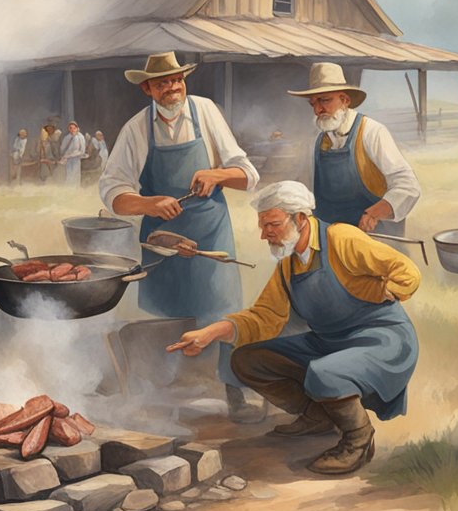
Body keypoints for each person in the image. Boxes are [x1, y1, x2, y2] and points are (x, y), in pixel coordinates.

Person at [167, 181, 420, 475]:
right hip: (330, 343)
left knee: (324, 372)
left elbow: (406, 270)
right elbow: (264, 317)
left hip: (382, 339)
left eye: (272, 224)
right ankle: (318, 416)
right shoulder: (288, 265)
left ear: (300, 218)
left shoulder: (341, 238)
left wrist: (387, 290)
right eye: (263, 227)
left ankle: (358, 440)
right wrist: (209, 333)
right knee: (247, 360)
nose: (265, 234)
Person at [99, 51, 263, 422]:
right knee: (167, 315)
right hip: (162, 239)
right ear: (147, 88)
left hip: (210, 232)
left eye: (177, 80)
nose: (172, 88)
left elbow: (248, 175)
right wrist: (147, 203)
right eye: (162, 83)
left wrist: (216, 175)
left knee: (221, 308)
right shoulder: (137, 128)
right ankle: (164, 397)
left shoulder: (205, 112)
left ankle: (234, 392)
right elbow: (112, 194)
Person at [289, 62, 420, 237]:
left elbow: (408, 186)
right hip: (331, 239)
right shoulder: (315, 140)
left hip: (375, 238)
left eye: (324, 100)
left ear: (345, 100)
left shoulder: (372, 132)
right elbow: (303, 189)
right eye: (313, 103)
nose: (318, 110)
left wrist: (374, 213)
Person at [59, 121, 88, 186]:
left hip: (76, 159)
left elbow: (82, 151)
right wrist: (66, 156)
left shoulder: (80, 137)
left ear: (77, 128)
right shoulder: (67, 137)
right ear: (69, 129)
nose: (72, 130)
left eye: (74, 128)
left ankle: (75, 190)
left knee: (75, 175)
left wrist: (73, 154)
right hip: (68, 160)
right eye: (70, 128)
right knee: (69, 175)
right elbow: (62, 148)